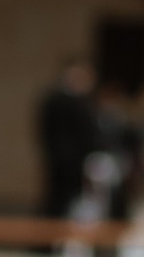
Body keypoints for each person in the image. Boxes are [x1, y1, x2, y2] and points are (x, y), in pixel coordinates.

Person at [36, 60, 99, 220]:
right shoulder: (65, 102)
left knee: (69, 201)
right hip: (65, 161)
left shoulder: (63, 101)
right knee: (59, 200)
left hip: (71, 161)